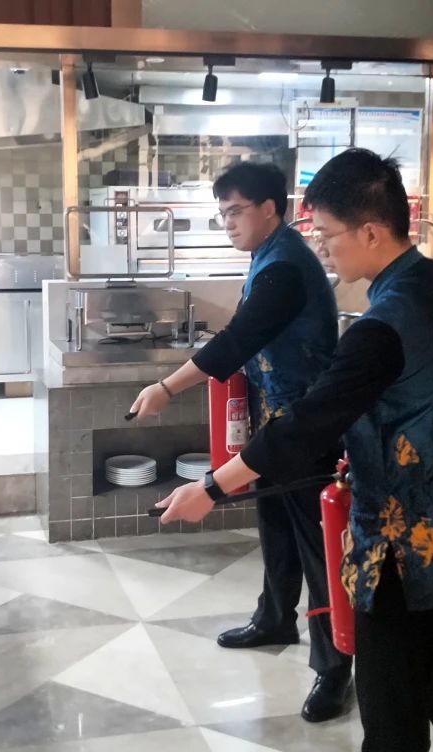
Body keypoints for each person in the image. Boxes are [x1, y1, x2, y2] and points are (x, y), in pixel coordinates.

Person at [155, 148, 433, 752]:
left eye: (330, 234)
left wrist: (211, 488)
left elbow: (306, 425)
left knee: (391, 697)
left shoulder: (380, 326)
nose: (323, 248)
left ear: (371, 230)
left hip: (401, 546)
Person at [128, 160, 354, 723]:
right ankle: (274, 618)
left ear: (270, 209)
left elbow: (238, 340)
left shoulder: (285, 267)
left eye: (235, 212)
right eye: (222, 213)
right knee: (276, 526)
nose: (227, 223)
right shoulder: (269, 255)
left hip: (305, 429)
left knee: (317, 547)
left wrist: (165, 388)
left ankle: (334, 667)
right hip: (275, 423)